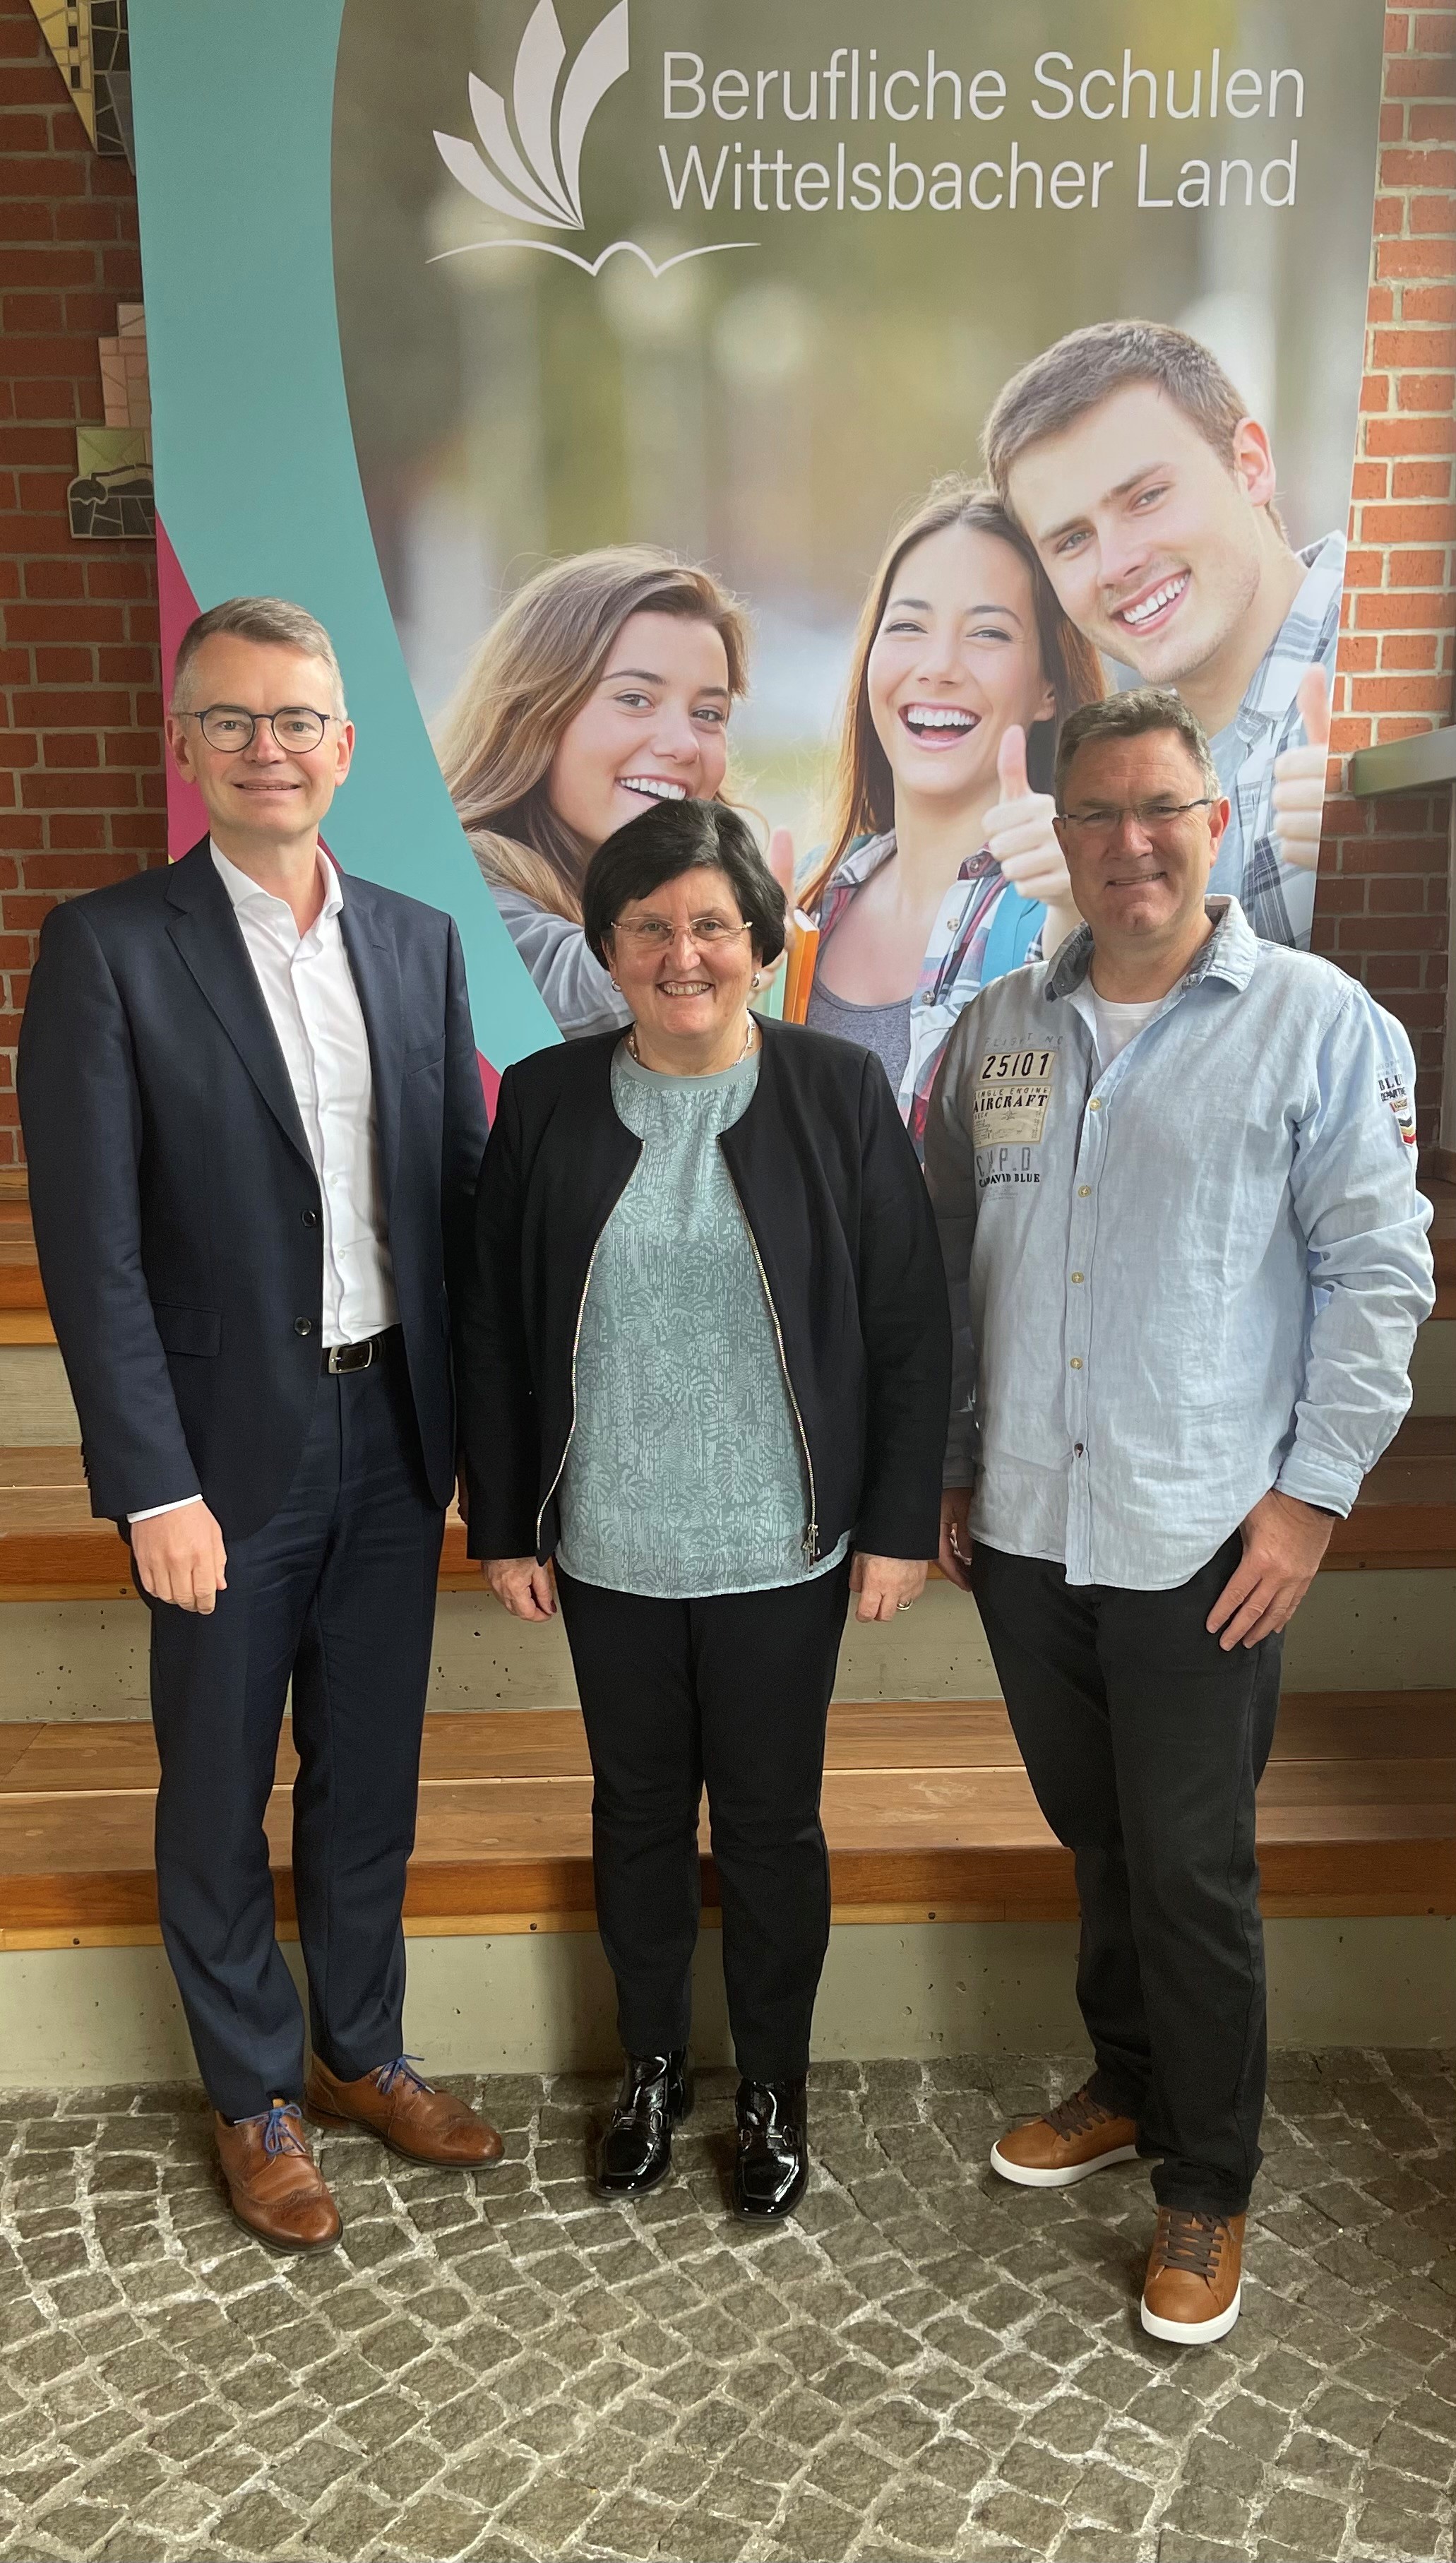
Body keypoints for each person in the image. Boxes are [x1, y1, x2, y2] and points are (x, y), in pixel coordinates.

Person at [925, 688, 1433, 2346]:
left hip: (1203, 1537)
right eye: (1094, 811)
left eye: (1159, 808)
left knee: (1192, 1868)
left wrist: (1307, 1501)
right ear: (1056, 837)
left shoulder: (1316, 1023)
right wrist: (950, 1466)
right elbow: (947, 1259)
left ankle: (1205, 2179)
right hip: (1025, 1525)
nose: (1127, 841)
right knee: (1101, 1836)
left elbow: (1376, 1275)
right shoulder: (995, 1028)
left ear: (1213, 823)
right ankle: (1127, 2077)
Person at [18, 598, 503, 2253]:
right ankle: (253, 2091)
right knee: (219, 1782)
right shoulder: (108, 947)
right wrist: (151, 1482)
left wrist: (479, 1442)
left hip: (393, 1434)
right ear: (184, 744)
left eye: (295, 719)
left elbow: (456, 1202)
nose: (265, 748)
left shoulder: (419, 944)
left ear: (345, 747)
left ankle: (359, 2047)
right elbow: (90, 1248)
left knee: (368, 1774)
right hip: (221, 1460)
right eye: (228, 719)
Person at [459, 796, 950, 2220]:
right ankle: (653, 2067)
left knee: (770, 1825)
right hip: (609, 1538)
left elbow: (907, 1321)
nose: (683, 953)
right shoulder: (545, 1098)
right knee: (632, 1815)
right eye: (649, 926)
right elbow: (491, 1319)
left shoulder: (836, 1091)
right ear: (607, 944)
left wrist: (894, 1522)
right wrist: (504, 1520)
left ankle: (775, 2086)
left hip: (780, 1545)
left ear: (761, 938)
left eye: (712, 925)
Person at [984, 318, 1344, 951]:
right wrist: (1071, 912)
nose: (1116, 564)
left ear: (1250, 467)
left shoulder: (1413, 651)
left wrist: (1407, 842)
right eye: (1073, 539)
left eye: (1146, 498)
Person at [797, 482, 1105, 1151]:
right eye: (908, 626)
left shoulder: (1064, 902)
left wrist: (1075, 901)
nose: (938, 667)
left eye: (988, 632)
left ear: (1048, 687)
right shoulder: (807, 896)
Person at [436, 546, 758, 1037]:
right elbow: (557, 990)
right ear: (534, 714)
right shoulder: (454, 888)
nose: (684, 745)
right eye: (636, 699)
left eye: (708, 714)